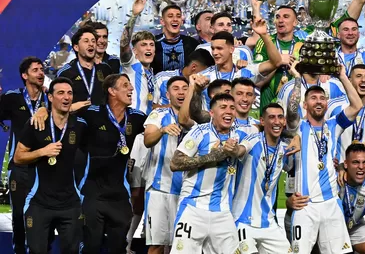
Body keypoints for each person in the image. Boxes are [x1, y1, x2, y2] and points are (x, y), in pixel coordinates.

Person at [285, 63, 363, 254]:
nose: (318, 102)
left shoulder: (334, 125)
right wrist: (297, 77)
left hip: (331, 204)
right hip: (305, 204)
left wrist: (343, 76)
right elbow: (291, 110)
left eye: (322, 98)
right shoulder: (298, 128)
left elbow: (357, 105)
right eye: (313, 98)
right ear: (305, 104)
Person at [169, 93, 250, 254]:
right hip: (193, 208)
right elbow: (175, 163)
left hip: (223, 212)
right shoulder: (199, 132)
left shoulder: (240, 135)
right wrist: (213, 156)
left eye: (232, 108)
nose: (229, 111)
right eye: (223, 107)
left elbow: (261, 134)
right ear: (211, 113)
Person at [14, 77, 86, 254]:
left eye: (69, 93)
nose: (66, 97)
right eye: (60, 93)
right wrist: (42, 152)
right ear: (51, 97)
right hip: (39, 203)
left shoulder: (81, 125)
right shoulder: (36, 124)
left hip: (71, 203)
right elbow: (17, 157)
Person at [80, 74, 146, 254]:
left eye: (130, 85)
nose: (131, 89)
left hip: (120, 195)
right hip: (93, 193)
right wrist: (43, 111)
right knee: (91, 246)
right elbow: (60, 117)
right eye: (125, 85)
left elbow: (155, 126)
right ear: (112, 91)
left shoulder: (138, 118)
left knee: (118, 247)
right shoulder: (92, 113)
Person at [224, 103, 295, 254]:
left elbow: (293, 169)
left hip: (269, 221)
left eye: (280, 117)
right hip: (242, 220)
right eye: (272, 117)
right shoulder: (253, 140)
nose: (276, 121)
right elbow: (240, 150)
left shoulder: (284, 148)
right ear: (262, 121)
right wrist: (234, 149)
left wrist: (298, 137)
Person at [0, 57, 48, 254]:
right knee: (19, 215)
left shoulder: (50, 99)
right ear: (24, 75)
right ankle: (19, 250)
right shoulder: (13, 97)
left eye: (42, 69)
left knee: (44, 214)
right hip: (20, 167)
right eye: (35, 70)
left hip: (46, 167)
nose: (40, 73)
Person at [143, 76, 188, 254]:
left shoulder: (197, 117)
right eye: (176, 88)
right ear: (168, 94)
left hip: (187, 191)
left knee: (182, 245)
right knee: (157, 244)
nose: (181, 92)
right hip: (159, 189)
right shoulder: (158, 115)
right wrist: (162, 130)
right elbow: (147, 140)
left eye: (185, 88)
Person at [199, 19, 281, 107]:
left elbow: (275, 62)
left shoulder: (245, 72)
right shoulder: (203, 77)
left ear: (231, 49)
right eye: (213, 48)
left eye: (219, 48)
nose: (214, 53)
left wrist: (264, 35)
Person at [328, 64, 365, 165]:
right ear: (349, 81)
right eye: (358, 76)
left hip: (364, 171)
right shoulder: (333, 106)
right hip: (339, 170)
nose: (363, 80)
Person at [253, 5, 304, 111]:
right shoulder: (264, 42)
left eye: (286, 17)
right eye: (278, 17)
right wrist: (277, 61)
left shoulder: (303, 46)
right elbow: (257, 81)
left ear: (295, 22)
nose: (280, 20)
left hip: (294, 106)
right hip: (267, 106)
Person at [120, 0, 157, 114]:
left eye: (151, 45)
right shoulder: (131, 66)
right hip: (131, 123)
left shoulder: (152, 76)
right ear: (134, 51)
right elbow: (124, 44)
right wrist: (134, 16)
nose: (149, 48)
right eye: (143, 45)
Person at [57, 27, 112, 107]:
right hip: (76, 118)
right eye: (86, 41)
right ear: (76, 47)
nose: (91, 44)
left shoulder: (105, 69)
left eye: (93, 41)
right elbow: (55, 102)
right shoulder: (65, 73)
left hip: (101, 118)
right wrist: (70, 108)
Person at [152, 3, 200, 72]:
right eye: (170, 16)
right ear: (162, 21)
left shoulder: (192, 43)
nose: (175, 19)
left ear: (181, 21)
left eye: (178, 16)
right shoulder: (153, 43)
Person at [277, 71, 345, 118]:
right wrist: (297, 76)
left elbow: (353, 109)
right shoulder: (288, 88)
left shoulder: (335, 85)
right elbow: (282, 120)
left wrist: (343, 77)